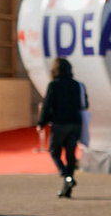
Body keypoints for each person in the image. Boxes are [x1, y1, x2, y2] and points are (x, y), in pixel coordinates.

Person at [37, 58, 88, 198]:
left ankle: (67, 177)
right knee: (70, 155)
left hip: (60, 124)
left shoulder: (54, 85)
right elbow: (85, 104)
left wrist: (41, 122)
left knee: (54, 152)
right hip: (75, 124)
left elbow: (47, 105)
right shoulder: (77, 85)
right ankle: (67, 188)